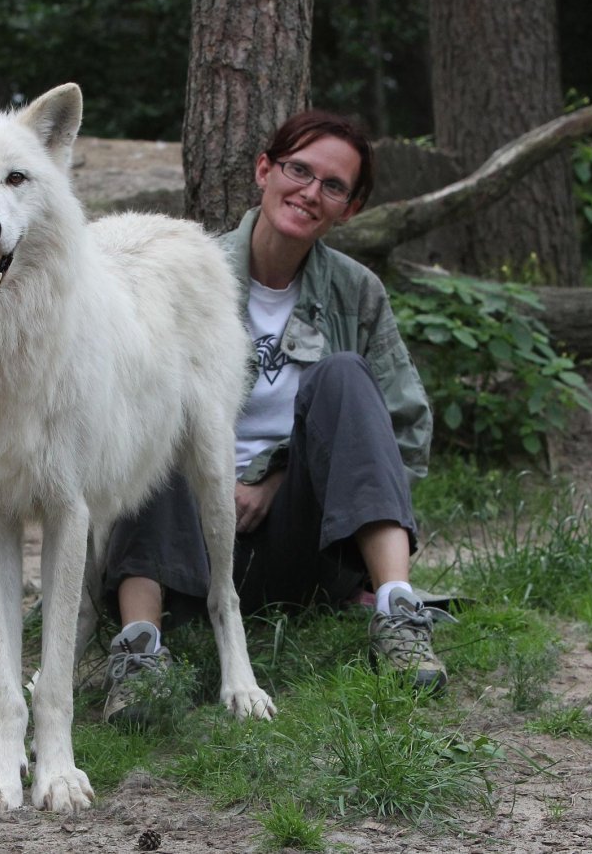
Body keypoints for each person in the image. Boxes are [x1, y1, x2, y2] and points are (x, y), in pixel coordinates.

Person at [101, 110, 453, 724]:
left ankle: (398, 615)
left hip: (300, 544)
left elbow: (405, 430)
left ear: (350, 207)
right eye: (299, 170)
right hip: (182, 546)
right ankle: (138, 652)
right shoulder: (185, 274)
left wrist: (276, 479)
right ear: (265, 170)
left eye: (334, 186)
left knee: (343, 373)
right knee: (159, 408)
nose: (311, 193)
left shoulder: (357, 291)